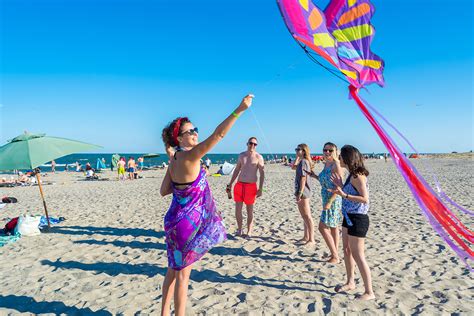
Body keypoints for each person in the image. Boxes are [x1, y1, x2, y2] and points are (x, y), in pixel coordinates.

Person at [159, 94, 254, 316]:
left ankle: (164, 313)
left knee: (172, 270)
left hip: (173, 220)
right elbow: (219, 134)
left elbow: (164, 190)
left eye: (195, 129)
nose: (195, 133)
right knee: (183, 276)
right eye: (189, 132)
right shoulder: (189, 156)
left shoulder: (175, 159)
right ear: (179, 139)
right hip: (185, 225)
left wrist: (184, 185)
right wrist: (239, 109)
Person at [329, 145, 374, 301]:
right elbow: (350, 192)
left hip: (358, 219)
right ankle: (350, 282)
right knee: (347, 250)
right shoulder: (350, 175)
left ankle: (369, 291)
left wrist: (344, 194)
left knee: (358, 254)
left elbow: (364, 199)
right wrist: (341, 187)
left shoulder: (358, 176)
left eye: (341, 156)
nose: (339, 158)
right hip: (348, 217)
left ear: (347, 158)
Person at [227, 137, 265, 237]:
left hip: (251, 186)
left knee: (249, 210)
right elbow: (236, 170)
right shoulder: (241, 155)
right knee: (238, 209)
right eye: (251, 143)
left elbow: (262, 173)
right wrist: (230, 183)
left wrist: (260, 188)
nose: (252, 145)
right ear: (247, 143)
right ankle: (239, 230)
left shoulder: (259, 157)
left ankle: (249, 231)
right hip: (239, 185)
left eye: (255, 144)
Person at [312, 142, 343, 263]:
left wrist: (330, 201)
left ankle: (335, 256)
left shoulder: (336, 164)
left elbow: (339, 186)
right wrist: (313, 175)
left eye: (330, 151)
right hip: (326, 197)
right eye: (325, 150)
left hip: (333, 198)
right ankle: (334, 253)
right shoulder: (326, 164)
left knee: (322, 227)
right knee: (334, 226)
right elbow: (323, 179)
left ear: (336, 152)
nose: (327, 152)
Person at [293, 144, 315, 245]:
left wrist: (300, 192)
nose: (296, 151)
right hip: (302, 190)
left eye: (298, 149)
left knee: (307, 215)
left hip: (304, 191)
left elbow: (303, 177)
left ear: (304, 151)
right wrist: (297, 157)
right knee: (304, 216)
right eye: (296, 149)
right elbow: (293, 167)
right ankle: (306, 236)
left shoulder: (304, 162)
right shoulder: (301, 161)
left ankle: (311, 239)